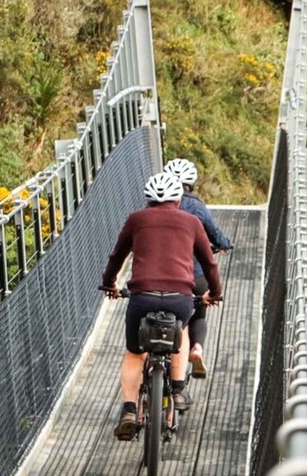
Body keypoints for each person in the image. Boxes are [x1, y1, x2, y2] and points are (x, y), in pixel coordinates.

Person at [101, 172, 224, 440]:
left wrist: (109, 283)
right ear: (178, 200)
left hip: (141, 296)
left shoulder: (136, 220)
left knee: (135, 353)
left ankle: (130, 411)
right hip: (180, 298)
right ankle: (178, 389)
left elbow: (117, 256)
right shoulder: (192, 222)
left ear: (147, 201)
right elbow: (209, 263)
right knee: (181, 331)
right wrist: (214, 293)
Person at [163, 158, 234, 378]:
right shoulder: (197, 207)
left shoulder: (154, 206)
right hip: (194, 275)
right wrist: (225, 244)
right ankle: (197, 349)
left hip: (160, 274)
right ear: (191, 183)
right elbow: (216, 234)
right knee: (198, 314)